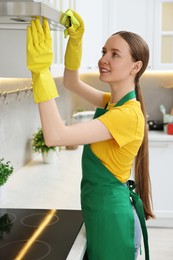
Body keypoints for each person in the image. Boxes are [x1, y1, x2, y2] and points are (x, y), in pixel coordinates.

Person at [26, 10, 155, 260]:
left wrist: (40, 72)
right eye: (103, 51)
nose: (104, 59)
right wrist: (75, 42)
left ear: (135, 67)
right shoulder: (114, 104)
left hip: (111, 221)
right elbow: (71, 82)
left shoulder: (126, 115)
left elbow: (55, 136)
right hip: (101, 213)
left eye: (115, 54)